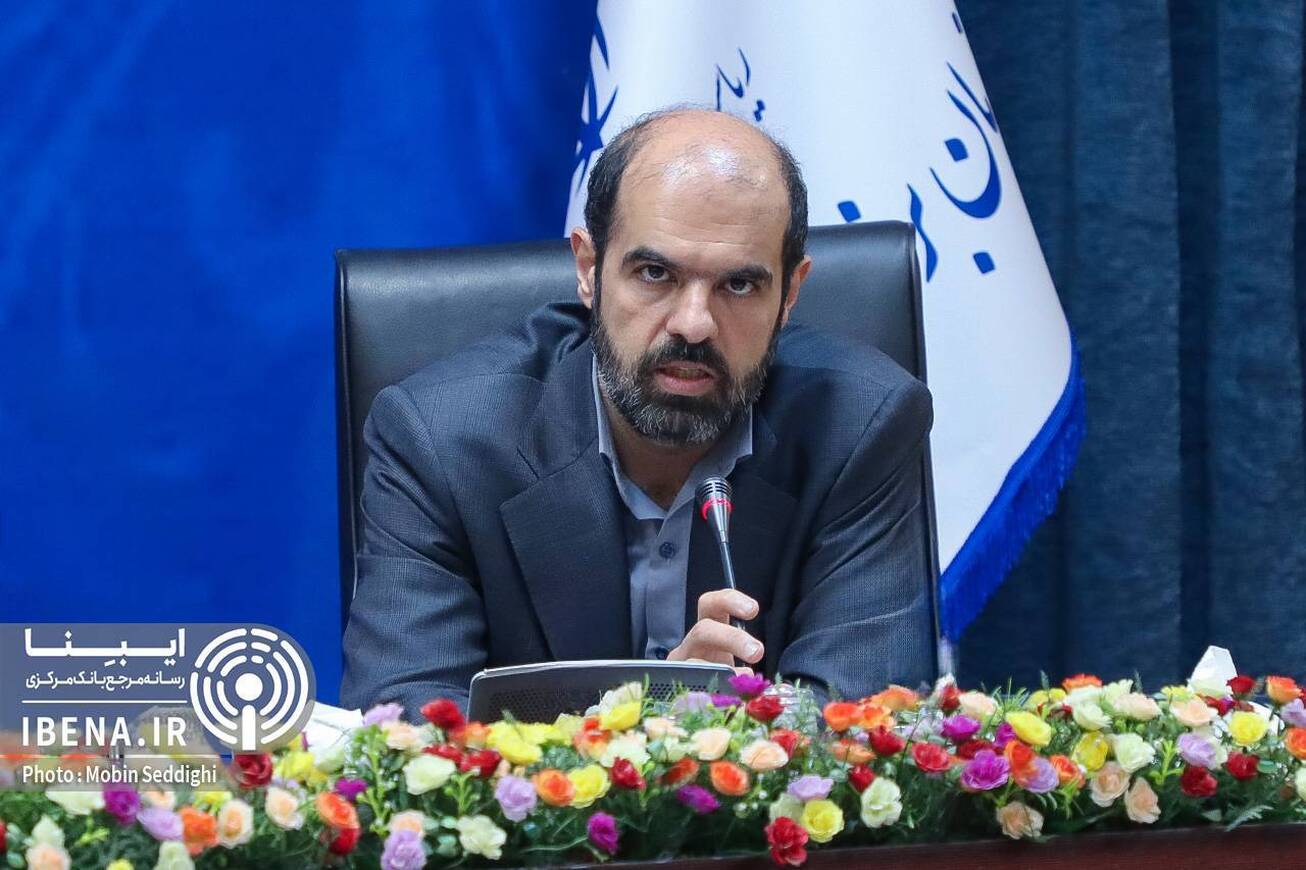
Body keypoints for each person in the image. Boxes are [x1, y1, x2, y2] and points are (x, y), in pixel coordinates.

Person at [340, 108, 936, 716]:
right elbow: (405, 724)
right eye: (655, 274)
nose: (694, 325)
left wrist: (698, 733)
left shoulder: (861, 426)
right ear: (588, 270)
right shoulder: (442, 440)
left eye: (738, 286)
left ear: (790, 294)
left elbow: (862, 722)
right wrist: (659, 727)